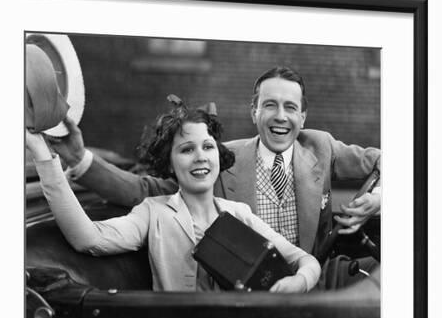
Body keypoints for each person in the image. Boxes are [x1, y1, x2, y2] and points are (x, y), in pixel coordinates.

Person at [49, 66, 381, 289]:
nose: (281, 117)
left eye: (290, 107)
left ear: (302, 115)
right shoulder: (219, 161)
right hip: (242, 297)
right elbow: (143, 191)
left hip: (318, 286)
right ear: (254, 111)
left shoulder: (320, 145)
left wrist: (379, 200)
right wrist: (77, 160)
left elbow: (391, 162)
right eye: (270, 105)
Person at [27, 99, 321, 292]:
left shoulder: (238, 213)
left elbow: (306, 261)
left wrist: (299, 281)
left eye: (207, 147)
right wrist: (44, 156)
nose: (200, 158)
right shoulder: (153, 212)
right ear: (169, 163)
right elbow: (88, 238)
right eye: (186, 150)